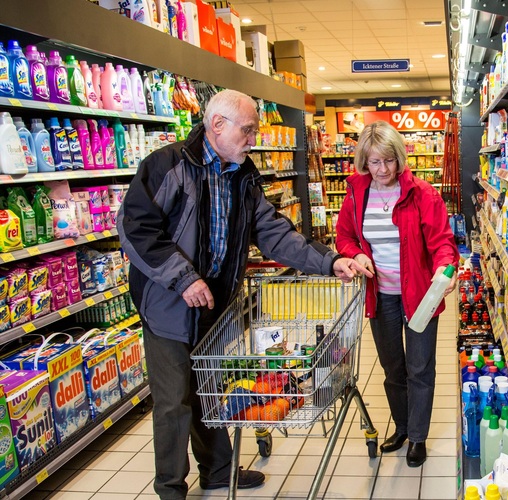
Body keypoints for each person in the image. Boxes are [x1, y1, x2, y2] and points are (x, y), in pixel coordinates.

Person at [117, 89, 372, 499]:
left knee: (211, 392)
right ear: (217, 125)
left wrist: (330, 261)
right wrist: (184, 278)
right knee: (174, 401)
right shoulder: (168, 166)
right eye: (248, 130)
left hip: (215, 306)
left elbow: (274, 234)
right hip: (167, 306)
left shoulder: (244, 177)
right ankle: (170, 488)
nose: (253, 138)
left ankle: (218, 471)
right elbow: (135, 230)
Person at [335, 120, 459, 467]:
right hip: (381, 296)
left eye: (389, 160)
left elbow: (442, 243)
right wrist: (356, 253)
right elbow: (343, 236)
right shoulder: (357, 194)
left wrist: (444, 268)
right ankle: (402, 426)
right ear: (364, 161)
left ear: (400, 158)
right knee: (392, 367)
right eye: (375, 162)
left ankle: (418, 437)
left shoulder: (423, 194)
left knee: (420, 368)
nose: (383, 169)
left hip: (420, 296)